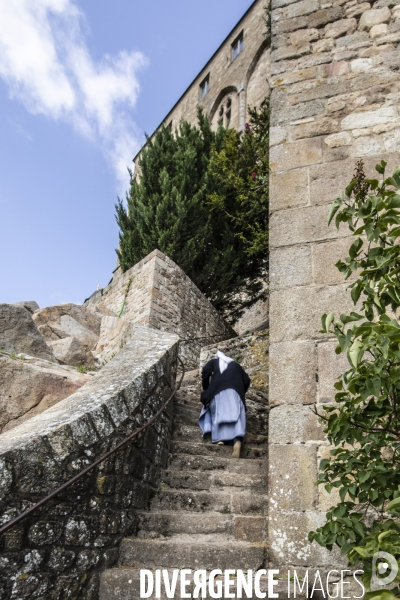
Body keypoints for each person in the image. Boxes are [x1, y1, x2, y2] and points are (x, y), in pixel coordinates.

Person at [198, 350, 251, 459]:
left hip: (218, 390)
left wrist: (207, 388)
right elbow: (246, 380)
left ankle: (220, 439)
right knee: (237, 417)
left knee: (217, 411)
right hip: (236, 393)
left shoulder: (214, 362)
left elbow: (205, 372)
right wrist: (241, 391)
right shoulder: (237, 366)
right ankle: (237, 440)